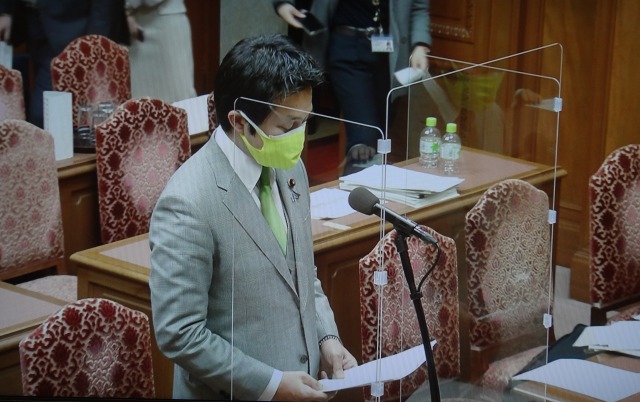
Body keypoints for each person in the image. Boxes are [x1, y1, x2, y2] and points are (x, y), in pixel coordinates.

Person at [149, 34, 357, 401]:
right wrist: (270, 384)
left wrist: (327, 337)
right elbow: (180, 333)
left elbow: (302, 273)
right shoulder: (187, 202)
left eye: (305, 122)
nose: (299, 138)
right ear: (239, 122)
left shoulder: (290, 169)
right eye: (287, 127)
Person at [273, 0, 432, 171]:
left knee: (381, 136)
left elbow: (418, 7)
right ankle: (357, 185)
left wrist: (420, 45)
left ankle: (364, 183)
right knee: (364, 138)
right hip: (347, 48)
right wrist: (283, 3)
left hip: (389, 53)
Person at [0, 0, 127, 128]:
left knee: (48, 116)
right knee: (44, 116)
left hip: (76, 30)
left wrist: (93, 44)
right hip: (35, 24)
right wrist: (6, 11)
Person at [125, 0, 196, 103]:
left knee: (178, 96)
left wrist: (125, 6)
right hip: (127, 25)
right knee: (137, 101)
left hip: (165, 22)